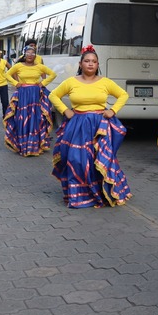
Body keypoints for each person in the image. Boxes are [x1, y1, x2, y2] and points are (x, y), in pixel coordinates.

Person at [49, 45, 131, 208]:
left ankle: (101, 194)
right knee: (75, 159)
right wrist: (65, 111)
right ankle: (79, 195)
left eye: (94, 61)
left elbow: (123, 94)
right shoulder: (71, 82)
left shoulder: (105, 82)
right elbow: (53, 95)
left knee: (97, 160)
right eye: (87, 61)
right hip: (77, 125)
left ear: (97, 64)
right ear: (80, 64)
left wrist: (113, 110)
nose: (90, 64)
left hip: (99, 127)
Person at [3, 47, 56, 155]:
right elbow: (7, 74)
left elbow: (53, 74)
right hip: (23, 94)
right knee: (22, 117)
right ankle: (23, 145)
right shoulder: (18, 66)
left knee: (36, 118)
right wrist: (16, 83)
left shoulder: (40, 66)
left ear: (35, 55)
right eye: (28, 53)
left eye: (32, 53)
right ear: (24, 55)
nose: (30, 55)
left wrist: (43, 83)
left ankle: (35, 146)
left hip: (35, 94)